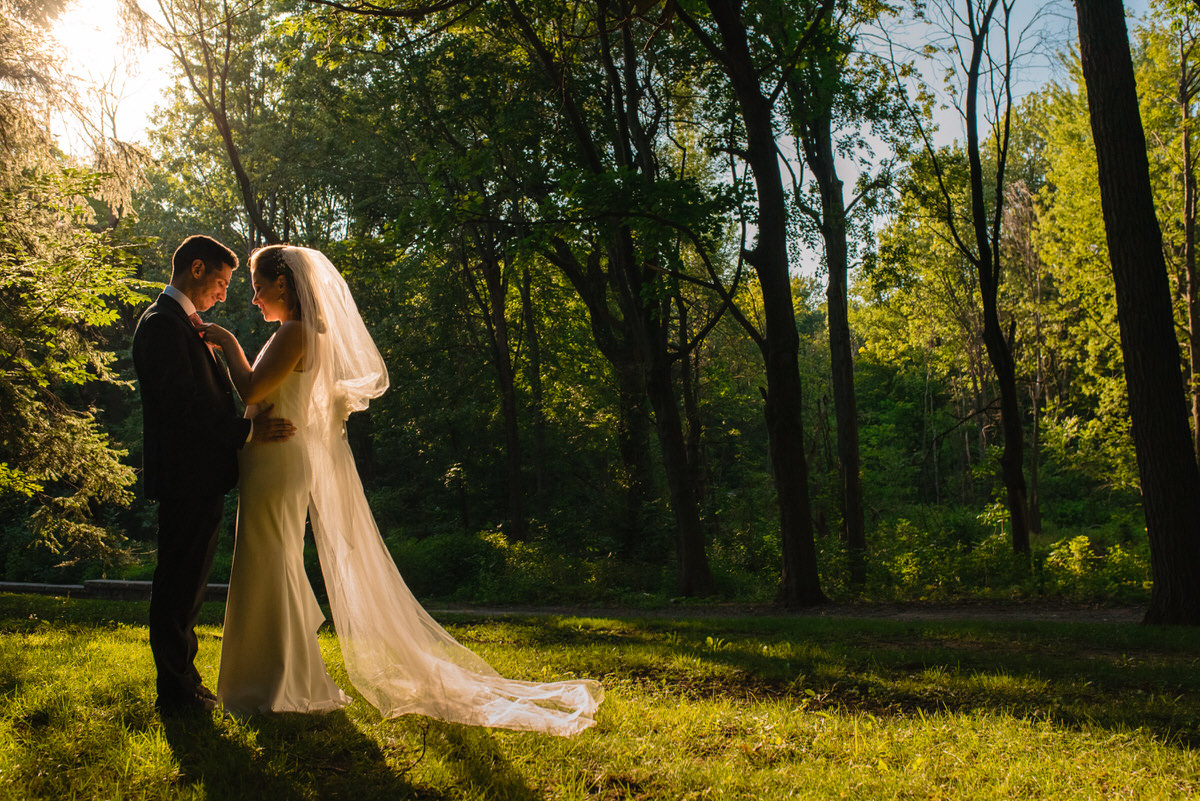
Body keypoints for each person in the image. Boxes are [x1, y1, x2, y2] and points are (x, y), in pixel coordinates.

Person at [203, 245, 602, 735]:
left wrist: (224, 341)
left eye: (258, 288)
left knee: (267, 561)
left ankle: (273, 685)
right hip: (275, 459)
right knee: (271, 562)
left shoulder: (297, 333)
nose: (255, 299)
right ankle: (283, 680)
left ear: (283, 285)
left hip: (277, 462)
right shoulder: (300, 333)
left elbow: (250, 390)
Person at [132, 235, 296, 716]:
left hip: (198, 475)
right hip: (185, 476)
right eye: (222, 283)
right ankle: (177, 694)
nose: (225, 294)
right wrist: (246, 431)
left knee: (189, 584)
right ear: (196, 269)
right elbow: (184, 407)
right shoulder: (162, 324)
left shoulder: (182, 323)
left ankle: (186, 682)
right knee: (178, 585)